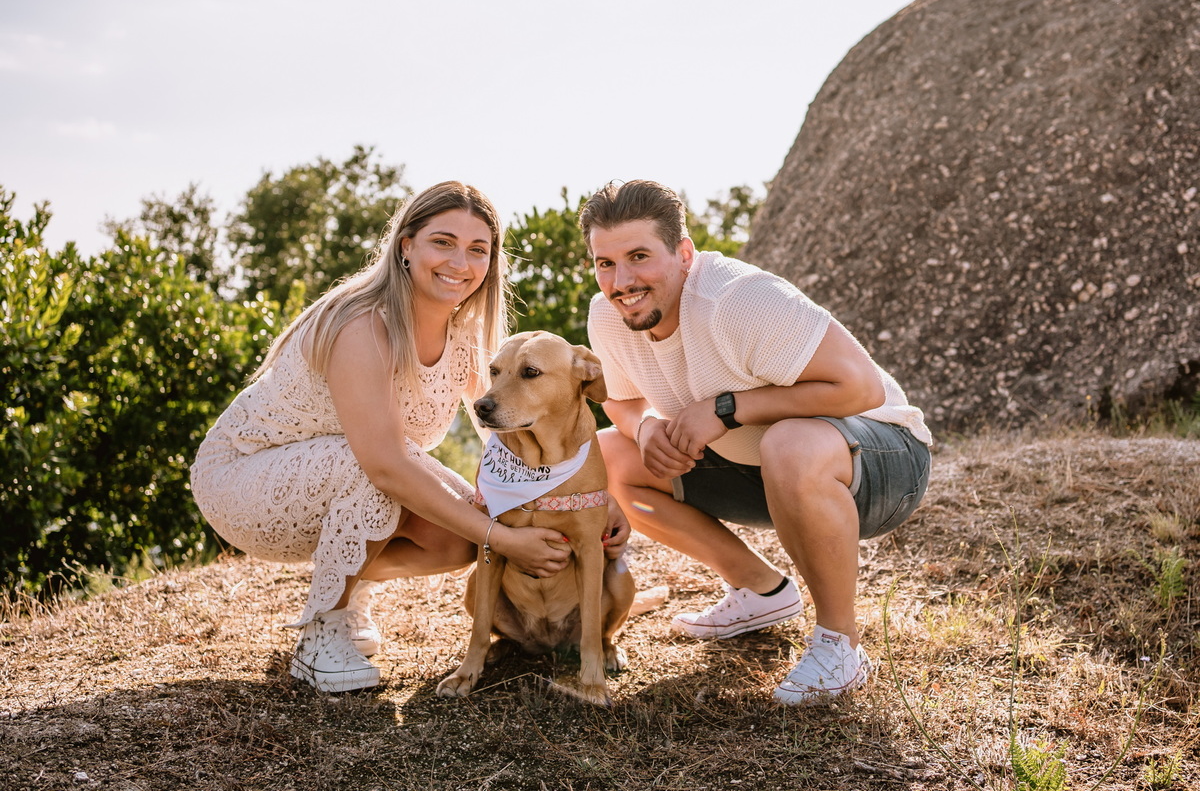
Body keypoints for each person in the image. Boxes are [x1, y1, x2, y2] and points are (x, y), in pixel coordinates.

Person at [191, 181, 628, 693]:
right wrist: (505, 539)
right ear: (406, 245)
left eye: (477, 249)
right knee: (392, 478)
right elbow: (383, 464)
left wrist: (591, 498)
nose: (459, 262)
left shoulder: (465, 334)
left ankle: (351, 586)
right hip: (244, 477)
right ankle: (321, 631)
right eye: (443, 242)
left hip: (343, 471)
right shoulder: (362, 323)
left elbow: (502, 435)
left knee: (462, 529)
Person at [580, 180, 932, 705]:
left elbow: (861, 388)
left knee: (790, 443)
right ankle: (760, 590)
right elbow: (623, 400)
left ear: (683, 253)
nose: (621, 281)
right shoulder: (609, 315)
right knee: (611, 454)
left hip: (884, 463)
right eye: (605, 263)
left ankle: (840, 646)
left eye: (639, 256)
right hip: (763, 469)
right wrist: (647, 428)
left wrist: (726, 409)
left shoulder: (737, 300)